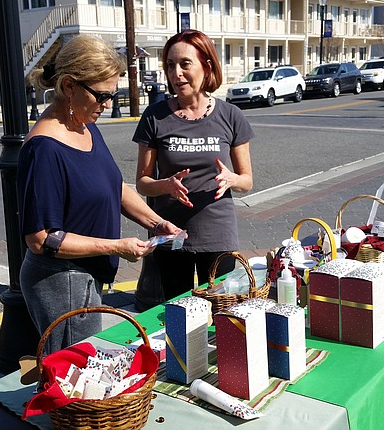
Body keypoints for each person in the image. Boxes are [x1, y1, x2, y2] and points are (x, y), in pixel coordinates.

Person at [17, 35, 184, 355]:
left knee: (73, 374)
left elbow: (114, 186)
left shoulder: (84, 125)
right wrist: (116, 247)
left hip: (85, 277)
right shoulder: (44, 148)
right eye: (102, 95)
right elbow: (41, 239)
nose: (108, 104)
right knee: (72, 379)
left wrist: (157, 222)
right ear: (69, 87)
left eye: (113, 94)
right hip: (63, 283)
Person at [132, 29, 255, 300]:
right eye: (170, 65)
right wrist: (164, 185)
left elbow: (247, 180)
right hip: (172, 234)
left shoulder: (231, 115)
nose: (176, 73)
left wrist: (232, 179)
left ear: (206, 65)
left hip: (218, 235)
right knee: (181, 315)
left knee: (221, 313)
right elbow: (142, 182)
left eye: (185, 64)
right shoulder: (155, 116)